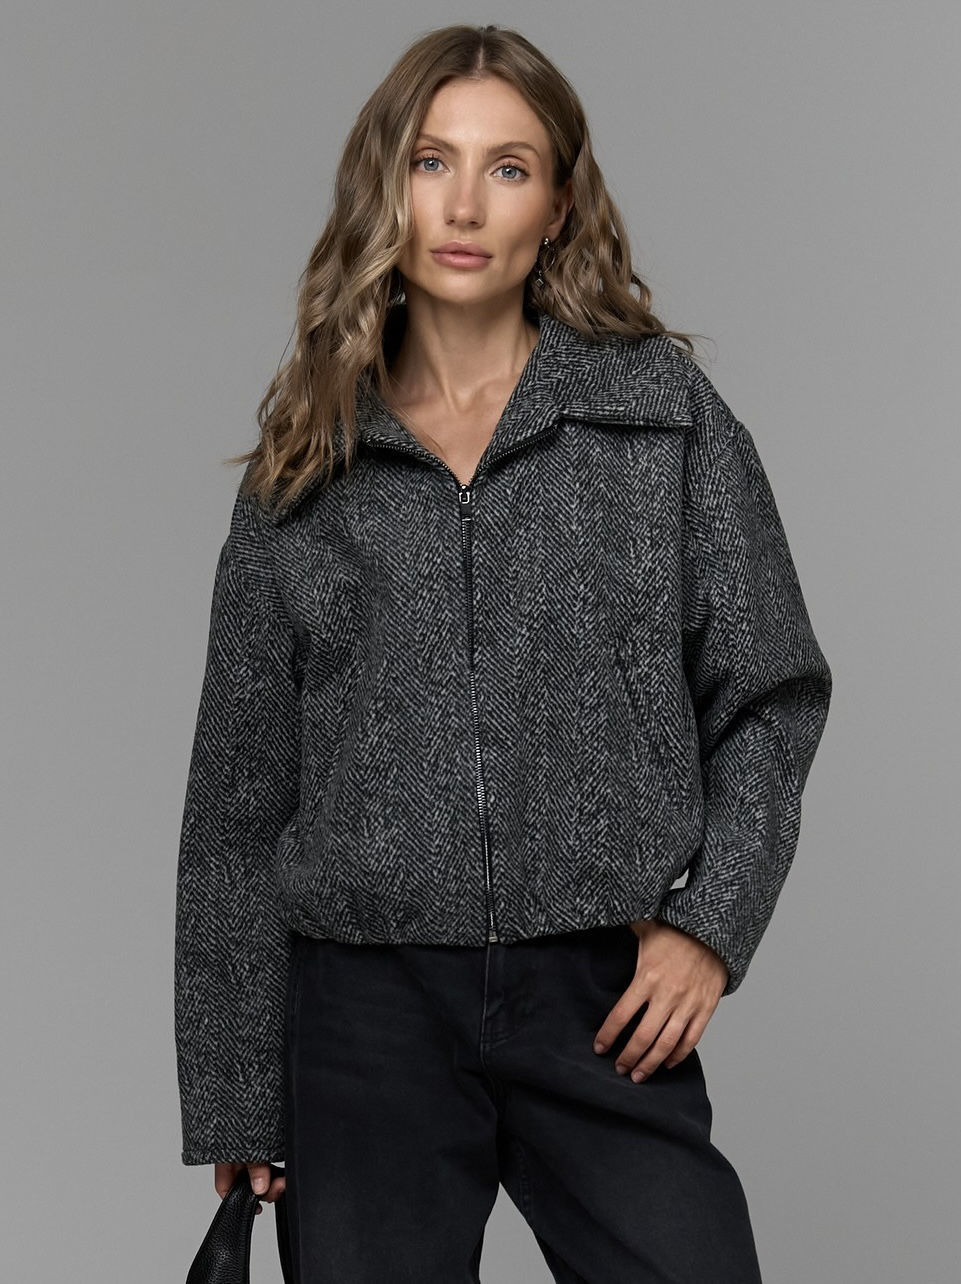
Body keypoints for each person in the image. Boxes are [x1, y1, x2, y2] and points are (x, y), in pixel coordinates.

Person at [174, 23, 832, 1284]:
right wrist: (238, 1088)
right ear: (387, 186)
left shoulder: (659, 422)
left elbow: (772, 695)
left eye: (508, 168)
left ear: (559, 206)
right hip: (362, 1018)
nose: (465, 205)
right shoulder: (308, 463)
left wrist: (709, 926)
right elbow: (237, 802)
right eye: (431, 161)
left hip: (597, 999)